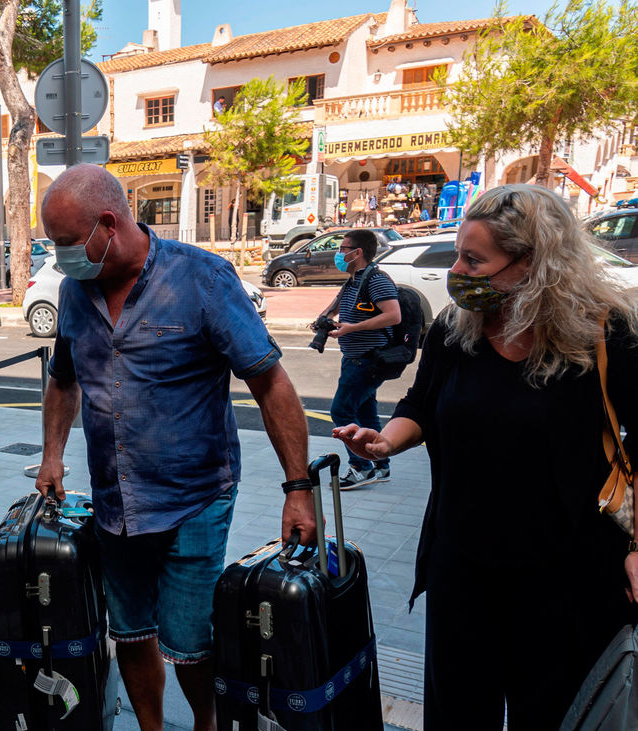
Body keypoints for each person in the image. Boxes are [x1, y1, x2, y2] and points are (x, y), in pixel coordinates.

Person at [333, 184, 638, 730]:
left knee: (548, 713)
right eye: (457, 254)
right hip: (463, 565)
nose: (457, 271)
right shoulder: (456, 329)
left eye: (474, 260)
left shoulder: (608, 334)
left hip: (567, 575)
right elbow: (420, 403)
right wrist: (387, 440)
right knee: (456, 712)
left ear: (535, 262)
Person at [35, 164, 316, 731]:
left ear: (108, 225)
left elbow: (270, 381)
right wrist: (51, 454)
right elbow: (63, 379)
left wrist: (298, 488)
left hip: (195, 499)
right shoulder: (72, 290)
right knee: (131, 631)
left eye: (66, 243)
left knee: (189, 641)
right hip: (115, 506)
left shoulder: (202, 278)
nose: (60, 255)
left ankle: (207, 727)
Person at [315, 229, 400, 488]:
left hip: (367, 360)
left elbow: (393, 315)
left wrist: (351, 328)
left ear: (357, 252)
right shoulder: (354, 280)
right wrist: (323, 321)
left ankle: (361, 466)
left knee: (340, 411)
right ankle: (381, 465)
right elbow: (337, 306)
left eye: (343, 249)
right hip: (354, 357)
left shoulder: (376, 280)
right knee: (366, 413)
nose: (339, 255)